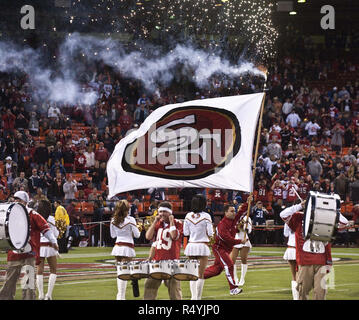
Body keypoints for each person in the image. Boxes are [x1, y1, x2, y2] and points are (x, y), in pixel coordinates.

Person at [280, 199, 349, 300]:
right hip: (305, 261)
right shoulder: (299, 217)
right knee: (302, 292)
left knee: (320, 293)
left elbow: (344, 222)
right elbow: (283, 214)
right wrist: (299, 205)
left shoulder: (325, 218)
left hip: (321, 262)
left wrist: (331, 210)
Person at [0, 191, 58, 300]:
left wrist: (53, 241)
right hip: (14, 253)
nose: (16, 201)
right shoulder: (10, 213)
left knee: (29, 283)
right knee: (9, 281)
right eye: (15, 199)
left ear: (25, 201)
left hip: (29, 253)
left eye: (19, 199)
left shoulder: (33, 214)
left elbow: (46, 229)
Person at [204, 195, 252, 296]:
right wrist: (240, 241)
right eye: (231, 211)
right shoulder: (222, 224)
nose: (234, 212)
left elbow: (241, 212)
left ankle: (197, 275)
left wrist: (248, 202)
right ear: (225, 213)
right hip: (219, 248)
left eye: (234, 210)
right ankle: (233, 288)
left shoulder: (233, 220)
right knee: (229, 265)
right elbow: (226, 238)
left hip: (225, 249)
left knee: (217, 270)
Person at [143, 201, 183, 300]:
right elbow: (148, 237)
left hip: (172, 261)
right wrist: (154, 222)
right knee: (149, 287)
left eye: (164, 211)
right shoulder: (158, 223)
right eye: (160, 212)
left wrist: (172, 221)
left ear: (170, 212)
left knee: (174, 290)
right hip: (157, 261)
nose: (161, 214)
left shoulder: (178, 223)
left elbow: (174, 236)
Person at [183, 194, 214, 300]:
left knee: (192, 274)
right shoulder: (206, 216)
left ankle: (193, 297)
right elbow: (210, 233)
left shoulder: (187, 216)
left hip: (191, 246)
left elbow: (185, 232)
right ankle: (198, 298)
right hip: (202, 246)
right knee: (200, 274)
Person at [110, 200, 141, 300]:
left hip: (117, 247)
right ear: (127, 209)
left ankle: (120, 296)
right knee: (124, 273)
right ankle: (121, 297)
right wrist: (140, 228)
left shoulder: (113, 220)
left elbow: (113, 235)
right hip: (127, 247)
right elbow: (137, 235)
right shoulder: (131, 219)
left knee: (120, 272)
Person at [36, 199, 59, 300]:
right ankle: (48, 295)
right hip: (50, 245)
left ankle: (40, 294)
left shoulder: (36, 217)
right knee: (53, 269)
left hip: (39, 245)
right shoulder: (51, 219)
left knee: (39, 270)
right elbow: (55, 234)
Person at [230, 206, 252, 287]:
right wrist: (236, 228)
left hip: (244, 240)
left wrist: (245, 228)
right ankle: (235, 278)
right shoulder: (235, 218)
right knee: (232, 261)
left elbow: (249, 230)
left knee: (244, 260)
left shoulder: (247, 218)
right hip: (236, 240)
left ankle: (242, 278)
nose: (239, 210)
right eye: (239, 208)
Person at [283, 223, 298, 300]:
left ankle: (296, 298)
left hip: (291, 248)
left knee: (294, 277)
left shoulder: (288, 221)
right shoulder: (305, 219)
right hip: (299, 250)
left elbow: (285, 234)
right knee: (301, 276)